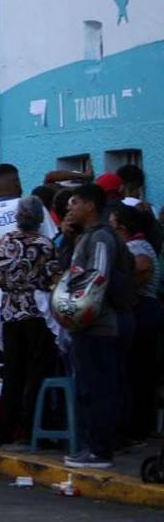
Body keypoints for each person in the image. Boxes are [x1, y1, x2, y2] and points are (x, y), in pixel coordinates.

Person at [61, 184, 135, 468]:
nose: (69, 208)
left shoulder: (101, 238)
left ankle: (100, 450)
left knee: (98, 389)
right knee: (88, 389)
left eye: (74, 203)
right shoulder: (86, 236)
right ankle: (92, 445)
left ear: (90, 206)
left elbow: (97, 278)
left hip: (99, 326)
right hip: (88, 326)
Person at [0, 197, 61, 450]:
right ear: (40, 219)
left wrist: (12, 285)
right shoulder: (45, 245)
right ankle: (32, 430)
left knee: (12, 373)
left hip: (10, 312)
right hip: (36, 313)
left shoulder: (4, 242)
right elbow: (54, 278)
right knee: (36, 373)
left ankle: (5, 431)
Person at [0, 164, 58, 353]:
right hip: (39, 303)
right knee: (41, 357)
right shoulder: (31, 206)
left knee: (11, 357)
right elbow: (53, 243)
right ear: (16, 182)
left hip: (3, 301)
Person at [109, 204, 160, 442]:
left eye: (113, 225)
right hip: (143, 310)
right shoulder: (139, 244)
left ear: (123, 228)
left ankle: (137, 427)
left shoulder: (136, 247)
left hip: (142, 311)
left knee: (137, 371)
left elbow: (142, 268)